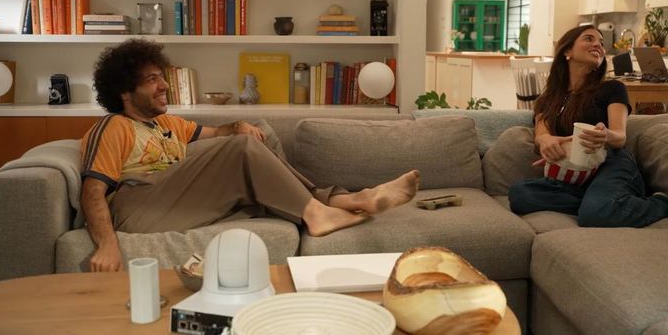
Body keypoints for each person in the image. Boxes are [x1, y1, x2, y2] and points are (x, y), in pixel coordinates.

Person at [80, 39, 420, 272]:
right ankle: (321, 212)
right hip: (139, 208)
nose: (164, 85)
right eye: (152, 79)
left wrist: (238, 125)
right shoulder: (114, 127)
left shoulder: (168, 124)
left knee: (252, 145)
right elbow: (93, 192)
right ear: (125, 91)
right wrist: (108, 245)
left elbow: (218, 134)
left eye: (162, 77)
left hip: (175, 202)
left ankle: (346, 200)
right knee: (242, 149)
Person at [508, 24, 668, 227]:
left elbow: (619, 136)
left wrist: (605, 135)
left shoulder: (612, 88)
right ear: (567, 51)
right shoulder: (549, 98)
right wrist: (546, 140)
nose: (598, 44)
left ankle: (661, 204)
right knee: (520, 194)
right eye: (589, 39)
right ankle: (600, 203)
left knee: (595, 215)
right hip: (575, 170)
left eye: (601, 42)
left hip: (610, 162)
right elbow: (541, 131)